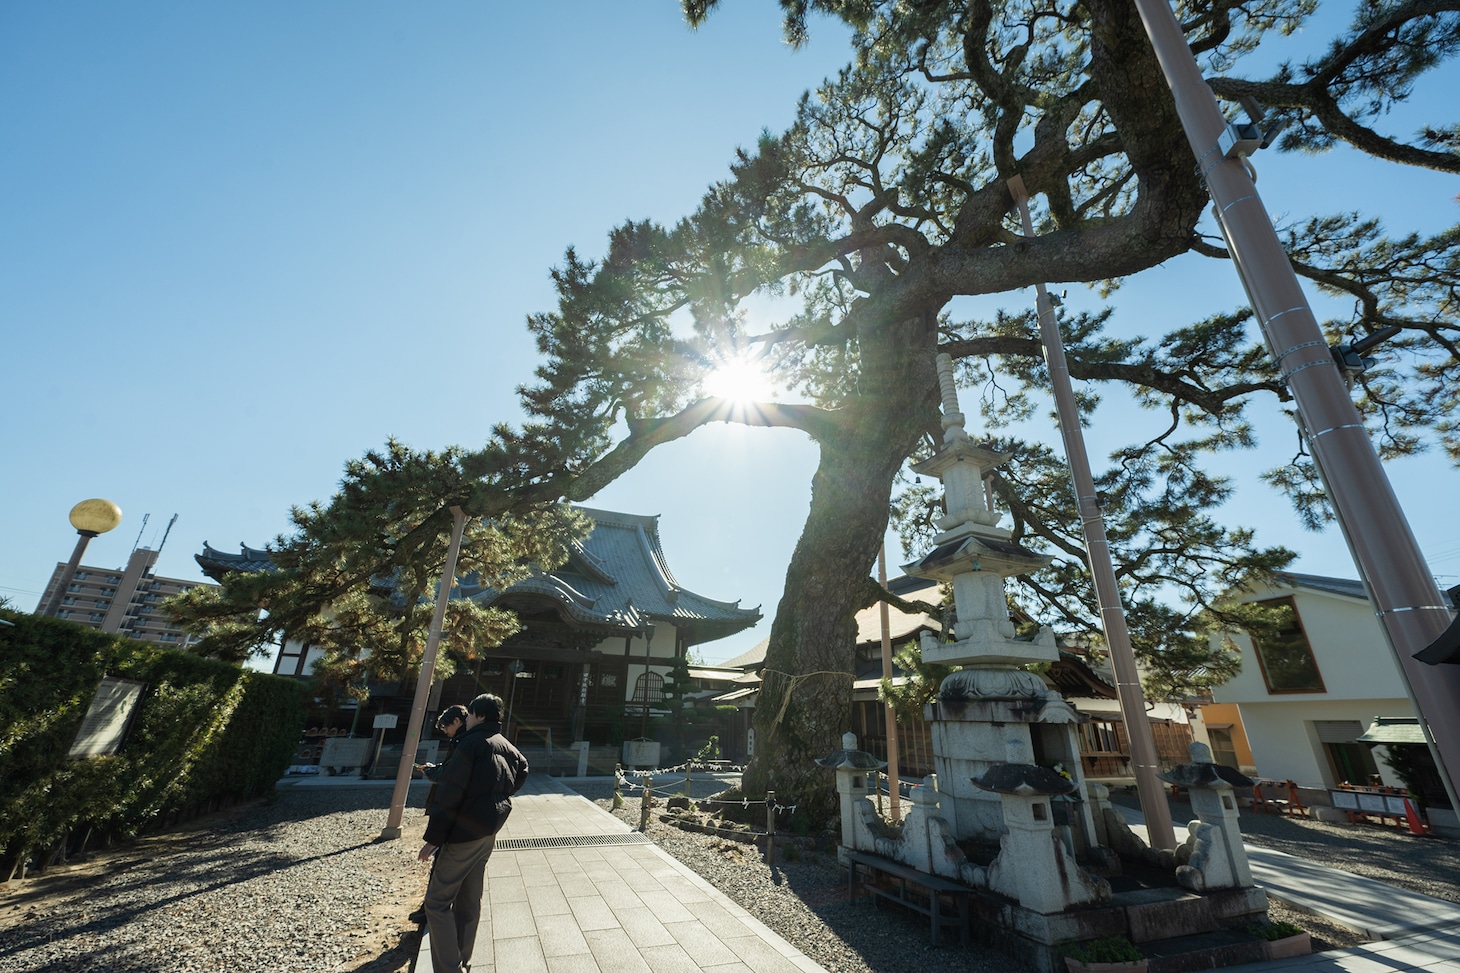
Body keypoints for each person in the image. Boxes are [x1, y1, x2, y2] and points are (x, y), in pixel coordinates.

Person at [418, 692, 528, 973]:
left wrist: (434, 838)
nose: (466, 719)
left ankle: (447, 968)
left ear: (478, 715)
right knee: (469, 898)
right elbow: (523, 768)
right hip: (488, 831)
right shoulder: (504, 744)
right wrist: (498, 795)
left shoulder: (471, 743)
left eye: (468, 715)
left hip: (464, 831)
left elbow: (450, 792)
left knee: (437, 901)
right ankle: (463, 958)